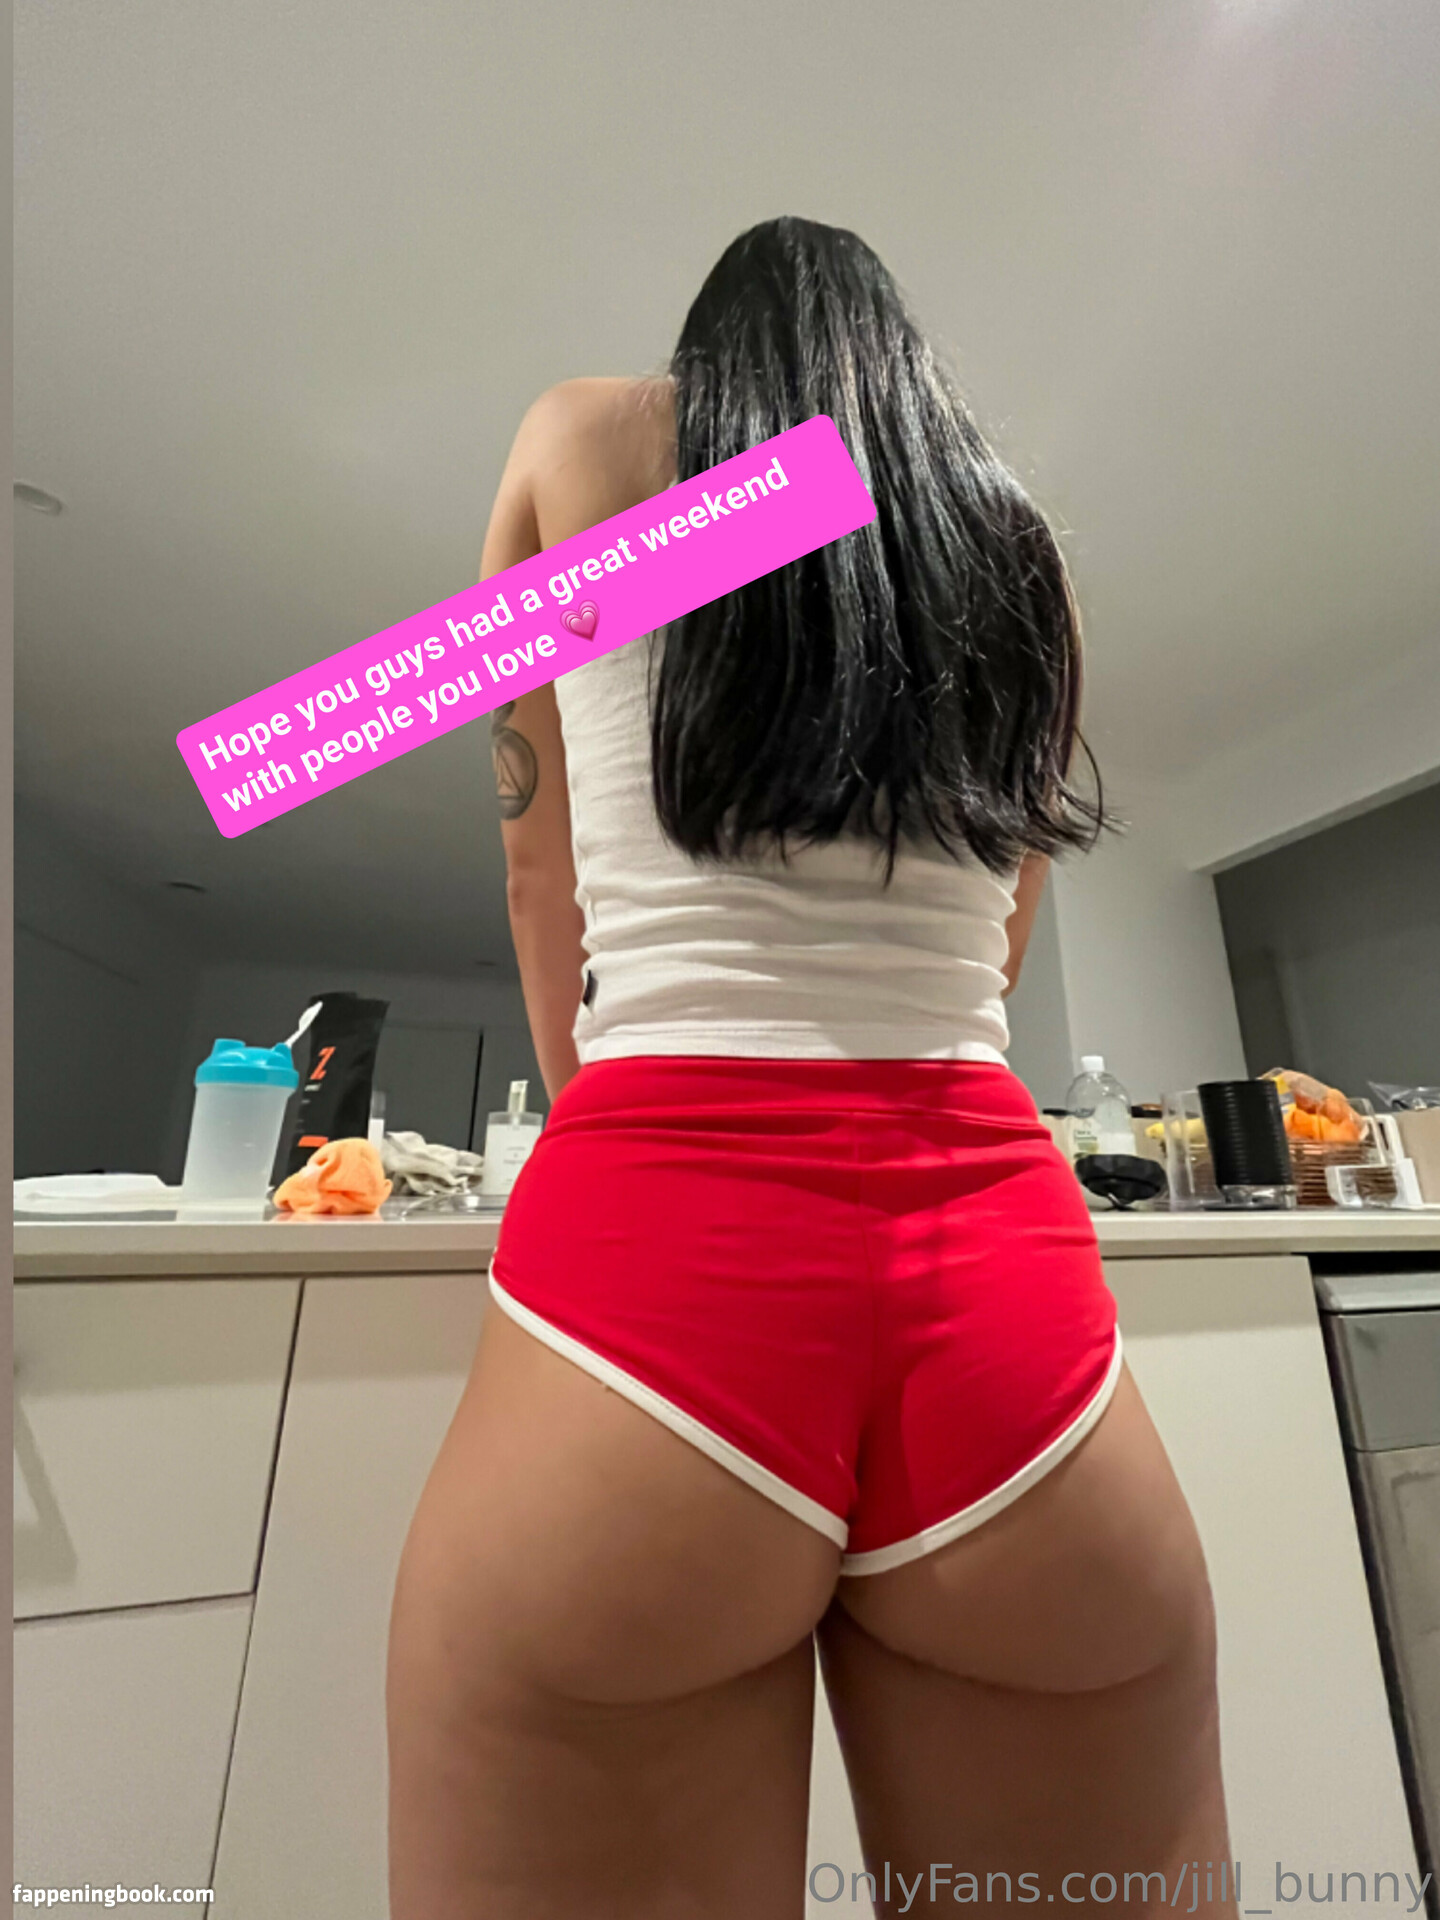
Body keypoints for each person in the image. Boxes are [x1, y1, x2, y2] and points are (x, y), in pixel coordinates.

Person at [387, 217, 1230, 1919]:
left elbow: (541, 877)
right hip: (1002, 1304)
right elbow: (1002, 933)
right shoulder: (1010, 542)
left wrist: (601, 1121)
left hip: (650, 1285)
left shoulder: (581, 437)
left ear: (714, 366)